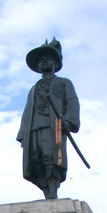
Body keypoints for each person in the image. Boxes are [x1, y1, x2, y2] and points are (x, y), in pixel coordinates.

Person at [17, 38, 80, 199]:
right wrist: (23, 134)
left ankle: (52, 190)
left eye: (48, 58)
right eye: (41, 60)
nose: (44, 62)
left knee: (50, 156)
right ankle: (45, 190)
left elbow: (72, 102)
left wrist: (69, 120)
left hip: (54, 126)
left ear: (55, 62)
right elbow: (26, 112)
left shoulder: (64, 83)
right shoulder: (34, 88)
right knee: (34, 157)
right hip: (34, 127)